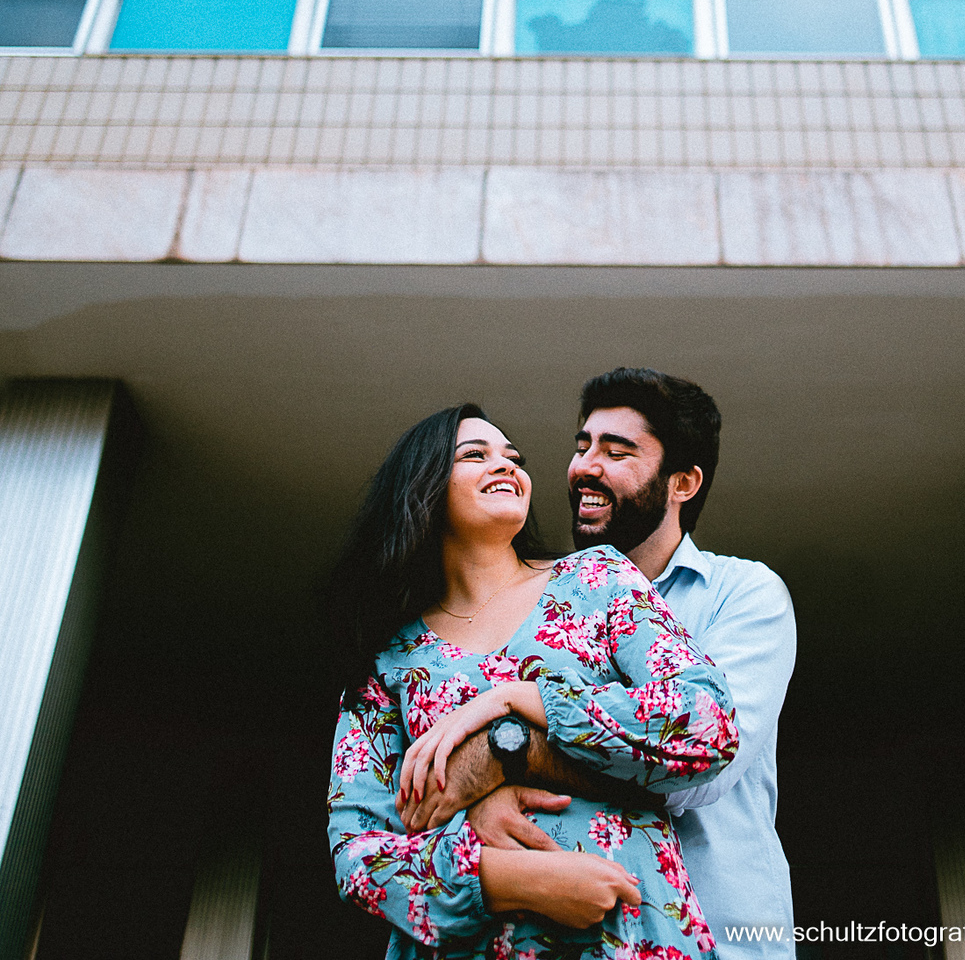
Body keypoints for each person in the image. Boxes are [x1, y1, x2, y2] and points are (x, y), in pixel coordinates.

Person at [399, 372, 797, 960]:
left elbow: (701, 770)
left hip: (720, 934)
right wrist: (476, 807)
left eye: (616, 451)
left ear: (682, 482)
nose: (585, 467)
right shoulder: (542, 606)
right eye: (582, 446)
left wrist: (501, 755)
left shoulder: (743, 594)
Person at [327, 401, 740, 960]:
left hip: (628, 938)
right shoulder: (387, 664)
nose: (507, 466)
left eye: (513, 457)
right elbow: (360, 855)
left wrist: (519, 700)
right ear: (422, 488)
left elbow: (706, 725)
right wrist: (510, 879)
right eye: (476, 455)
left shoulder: (596, 580)